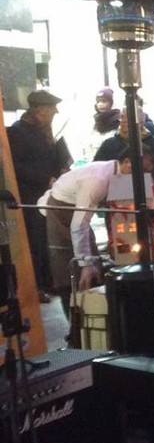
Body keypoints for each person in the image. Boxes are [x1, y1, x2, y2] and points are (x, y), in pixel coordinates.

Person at [45, 148, 141, 315]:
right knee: (71, 269)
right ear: (127, 163)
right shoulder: (98, 180)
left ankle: (97, 316)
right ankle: (77, 329)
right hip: (60, 209)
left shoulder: (116, 173)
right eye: (143, 170)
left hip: (74, 210)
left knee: (93, 261)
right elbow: (78, 225)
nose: (144, 175)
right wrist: (86, 264)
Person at [7, 89, 73, 303]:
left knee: (46, 239)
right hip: (30, 196)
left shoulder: (45, 131)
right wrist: (45, 178)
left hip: (48, 193)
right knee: (35, 242)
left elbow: (50, 157)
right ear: (40, 109)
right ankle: (36, 286)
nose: (55, 111)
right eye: (52, 108)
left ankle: (48, 282)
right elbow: (16, 166)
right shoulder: (18, 131)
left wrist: (61, 168)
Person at [94, 106, 154, 196]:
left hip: (148, 195)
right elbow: (97, 170)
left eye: (128, 117)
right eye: (122, 117)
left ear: (140, 122)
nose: (124, 121)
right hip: (115, 198)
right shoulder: (109, 144)